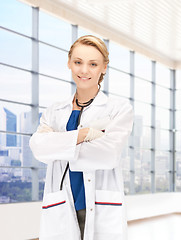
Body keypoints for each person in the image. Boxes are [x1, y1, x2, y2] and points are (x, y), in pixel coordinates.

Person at [29, 35, 133, 240]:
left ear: (104, 67)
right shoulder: (54, 111)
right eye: (78, 62)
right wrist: (84, 135)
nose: (84, 70)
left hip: (99, 203)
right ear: (69, 63)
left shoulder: (118, 109)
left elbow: (108, 155)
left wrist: (58, 143)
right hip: (62, 202)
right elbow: (38, 148)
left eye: (93, 64)